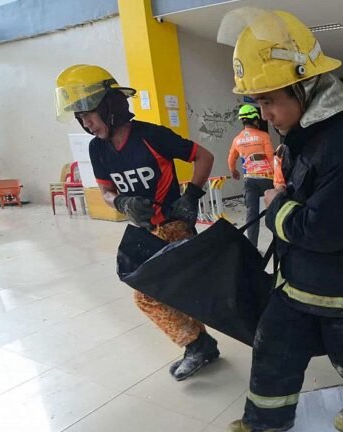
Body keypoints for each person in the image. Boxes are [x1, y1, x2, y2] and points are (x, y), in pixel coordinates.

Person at [217, 7, 343, 432]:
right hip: (301, 278)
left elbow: (324, 232)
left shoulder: (342, 148)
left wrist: (276, 206)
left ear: (304, 86)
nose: (264, 113)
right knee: (274, 344)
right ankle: (266, 421)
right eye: (257, 101)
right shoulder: (305, 135)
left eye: (269, 100)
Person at [55, 64, 221, 382]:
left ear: (109, 107)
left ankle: (198, 346)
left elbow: (204, 157)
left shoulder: (151, 136)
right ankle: (201, 345)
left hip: (174, 226)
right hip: (145, 231)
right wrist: (121, 202)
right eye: (80, 118)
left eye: (89, 115)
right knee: (170, 291)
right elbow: (106, 191)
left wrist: (192, 195)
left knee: (149, 294)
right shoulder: (97, 149)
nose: (86, 124)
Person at [228, 104, 275, 248]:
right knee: (274, 210)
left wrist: (233, 171)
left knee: (251, 214)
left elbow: (231, 159)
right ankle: (278, 245)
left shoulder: (237, 139)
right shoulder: (263, 136)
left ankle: (252, 247)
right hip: (267, 179)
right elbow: (271, 158)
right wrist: (278, 178)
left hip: (249, 180)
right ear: (255, 119)